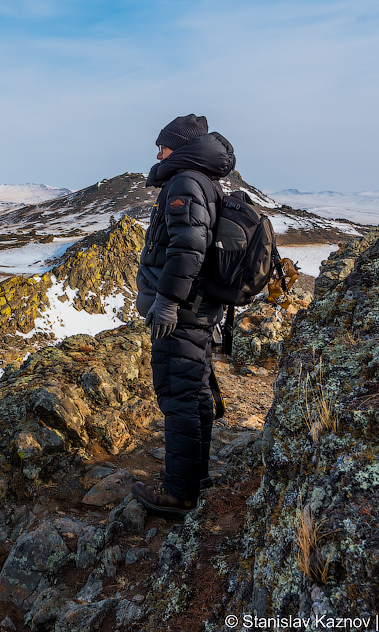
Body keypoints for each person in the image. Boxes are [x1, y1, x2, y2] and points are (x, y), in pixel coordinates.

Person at [130, 114, 235, 517]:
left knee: (178, 395)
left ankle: (179, 493)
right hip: (198, 309)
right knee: (192, 394)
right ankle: (196, 477)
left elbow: (188, 245)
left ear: (182, 146)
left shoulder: (185, 182)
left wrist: (168, 301)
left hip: (183, 313)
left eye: (163, 145)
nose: (158, 153)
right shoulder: (200, 181)